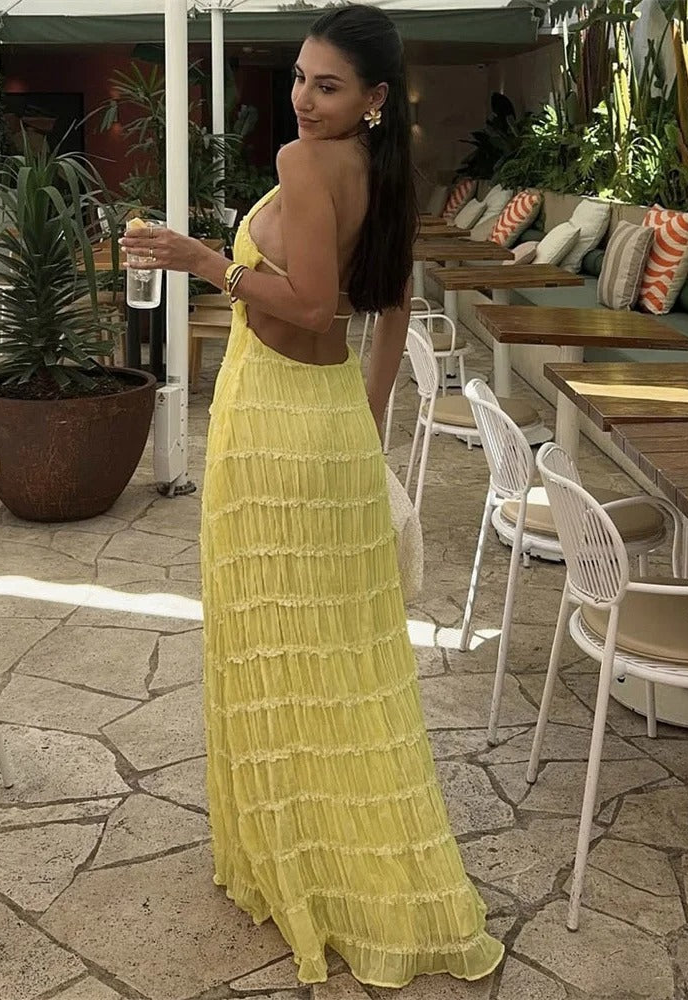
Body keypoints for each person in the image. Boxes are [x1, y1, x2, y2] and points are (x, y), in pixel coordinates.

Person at [121, 4, 504, 987]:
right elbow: (390, 312)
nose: (302, 98)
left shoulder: (303, 163)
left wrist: (205, 261)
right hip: (328, 423)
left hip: (276, 423)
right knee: (342, 665)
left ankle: (299, 862)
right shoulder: (382, 169)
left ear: (373, 98)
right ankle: (348, 866)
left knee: (274, 651)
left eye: (326, 85)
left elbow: (315, 306)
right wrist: (363, 428)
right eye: (299, 77)